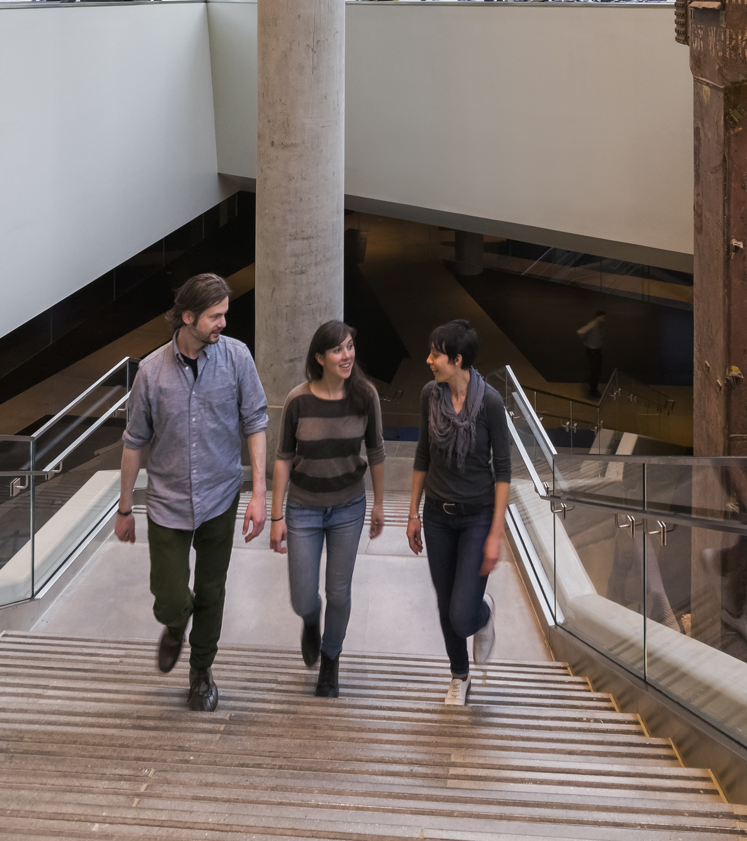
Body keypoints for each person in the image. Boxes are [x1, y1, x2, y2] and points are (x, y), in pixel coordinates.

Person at [116, 273, 268, 712]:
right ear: (188, 318)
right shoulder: (150, 372)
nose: (223, 322)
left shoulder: (237, 357)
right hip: (166, 500)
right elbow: (134, 442)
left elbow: (255, 422)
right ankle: (174, 622)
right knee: (171, 595)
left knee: (212, 589)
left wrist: (259, 494)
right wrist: (125, 508)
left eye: (224, 314)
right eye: (215, 316)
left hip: (221, 494)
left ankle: (201, 670)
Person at [270, 320, 385, 698]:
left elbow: (377, 452)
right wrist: (276, 516)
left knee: (339, 592)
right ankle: (309, 621)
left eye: (350, 346)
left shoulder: (366, 396)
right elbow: (284, 457)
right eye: (337, 349)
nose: (347, 355)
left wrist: (381, 504)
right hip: (302, 508)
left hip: (349, 508)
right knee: (303, 596)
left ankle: (331, 658)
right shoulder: (297, 400)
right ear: (319, 358)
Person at [407, 320, 511, 705]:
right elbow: (422, 455)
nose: (429, 360)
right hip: (436, 516)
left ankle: (482, 615)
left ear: (457, 359)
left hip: (477, 516)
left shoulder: (490, 404)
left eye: (436, 354)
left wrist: (495, 534)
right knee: (444, 601)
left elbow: (503, 470)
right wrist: (413, 513)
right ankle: (459, 674)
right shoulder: (429, 397)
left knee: (461, 613)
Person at [577, 310, 606, 397]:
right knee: (595, 371)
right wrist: (587, 341)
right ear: (599, 317)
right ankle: (593, 390)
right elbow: (580, 331)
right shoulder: (593, 325)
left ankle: (593, 389)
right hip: (593, 351)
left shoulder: (596, 324)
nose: (604, 319)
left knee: (596, 370)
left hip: (594, 350)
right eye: (603, 317)